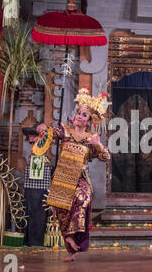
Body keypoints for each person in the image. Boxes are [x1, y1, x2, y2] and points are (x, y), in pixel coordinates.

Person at [35, 87, 110, 262]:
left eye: (85, 115)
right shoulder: (65, 130)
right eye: (79, 113)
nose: (80, 116)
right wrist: (43, 128)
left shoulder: (92, 137)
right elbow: (51, 132)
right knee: (62, 210)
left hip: (80, 177)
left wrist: (97, 145)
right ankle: (70, 246)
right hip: (62, 177)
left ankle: (74, 238)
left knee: (82, 199)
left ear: (89, 121)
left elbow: (106, 157)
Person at [22, 124, 52, 246]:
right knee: (29, 210)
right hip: (31, 186)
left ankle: (36, 240)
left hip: (40, 187)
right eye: (29, 137)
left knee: (38, 212)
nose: (30, 140)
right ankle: (29, 239)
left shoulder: (43, 148)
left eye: (33, 136)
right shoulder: (34, 152)